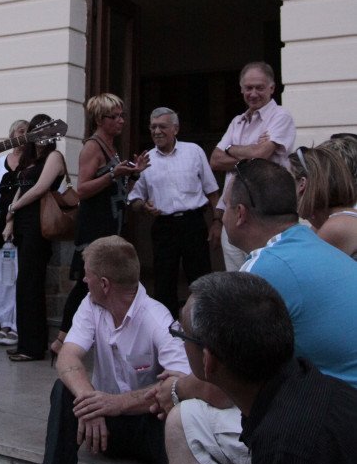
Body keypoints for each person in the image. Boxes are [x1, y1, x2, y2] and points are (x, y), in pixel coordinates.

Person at [98, 272, 357, 464]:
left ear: (207, 361)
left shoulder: (294, 450)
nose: (177, 335)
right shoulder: (302, 391)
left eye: (181, 333)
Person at [155, 159, 357, 464]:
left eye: (224, 207)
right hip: (338, 425)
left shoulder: (262, 271)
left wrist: (176, 387)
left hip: (327, 457)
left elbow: (223, 387)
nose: (222, 215)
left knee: (185, 421)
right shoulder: (319, 245)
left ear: (240, 213)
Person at [25, 235, 189, 464]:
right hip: (104, 429)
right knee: (63, 390)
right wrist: (91, 401)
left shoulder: (157, 317)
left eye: (86, 274)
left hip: (149, 430)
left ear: (103, 283)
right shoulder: (91, 306)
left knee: (175, 413)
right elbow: (67, 358)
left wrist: (118, 403)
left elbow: (182, 382)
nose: (82, 279)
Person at [50, 94, 149, 360]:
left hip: (110, 222)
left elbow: (117, 190)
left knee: (103, 282)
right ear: (99, 119)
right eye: (114, 116)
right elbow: (82, 188)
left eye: (121, 115)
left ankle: (87, 338)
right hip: (95, 226)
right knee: (88, 283)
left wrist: (134, 173)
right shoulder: (93, 147)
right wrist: (113, 174)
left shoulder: (111, 146)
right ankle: (61, 340)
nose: (121, 121)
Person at [128, 107, 220, 319]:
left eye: (162, 126)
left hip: (194, 223)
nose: (157, 131)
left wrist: (217, 222)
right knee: (164, 283)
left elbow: (213, 192)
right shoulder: (145, 160)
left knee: (201, 280)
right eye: (153, 127)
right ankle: (166, 333)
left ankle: (205, 327)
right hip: (164, 226)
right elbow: (133, 200)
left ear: (175, 129)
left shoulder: (194, 151)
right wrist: (144, 207)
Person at [210, 61, 296, 270]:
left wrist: (231, 148)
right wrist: (248, 152)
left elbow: (261, 153)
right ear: (241, 89)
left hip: (264, 214)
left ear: (272, 88)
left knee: (266, 278)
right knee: (237, 282)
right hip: (233, 214)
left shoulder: (281, 116)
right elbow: (214, 160)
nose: (253, 93)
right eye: (248, 88)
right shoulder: (237, 121)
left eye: (259, 87)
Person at [3, 113, 66, 361]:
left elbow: (40, 188)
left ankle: (33, 347)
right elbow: (21, 188)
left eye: (45, 130)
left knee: (31, 284)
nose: (41, 136)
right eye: (36, 130)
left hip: (40, 226)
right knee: (24, 284)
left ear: (52, 134)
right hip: (24, 224)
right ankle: (25, 343)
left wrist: (13, 209)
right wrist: (10, 218)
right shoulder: (30, 159)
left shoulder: (54, 157)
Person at [0, 119, 28, 345]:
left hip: (20, 221)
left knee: (17, 273)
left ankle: (16, 325)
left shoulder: (30, 162)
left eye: (27, 132)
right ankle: (2, 323)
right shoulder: (1, 161)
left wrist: (13, 220)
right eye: (20, 131)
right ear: (12, 134)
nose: (23, 135)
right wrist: (0, 221)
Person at [290, 144, 357, 257]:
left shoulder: (336, 226)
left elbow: (305, 266)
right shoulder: (323, 224)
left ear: (302, 184)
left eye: (288, 180)